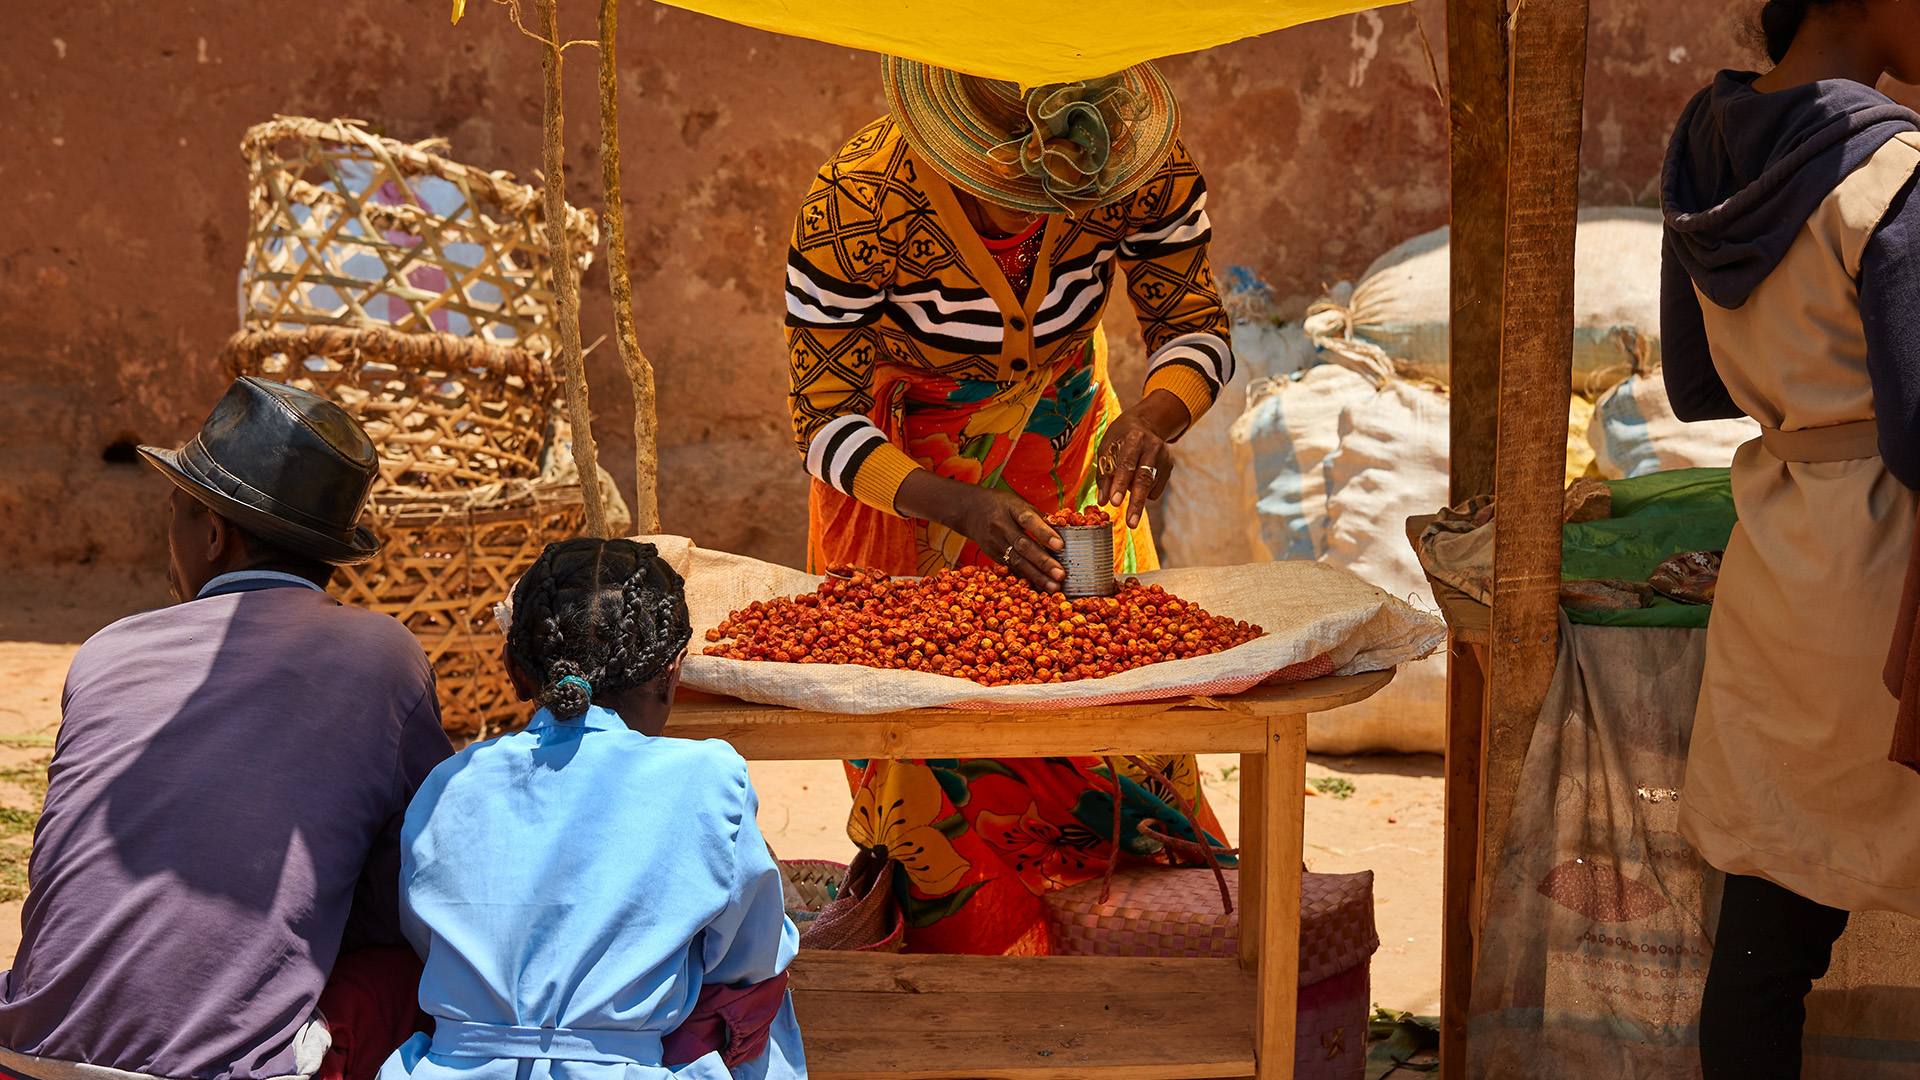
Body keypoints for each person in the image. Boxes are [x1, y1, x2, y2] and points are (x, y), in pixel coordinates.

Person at [782, 58, 1236, 954]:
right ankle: (975, 967)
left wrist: (1154, 416)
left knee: (1105, 703)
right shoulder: (858, 199)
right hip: (905, 482)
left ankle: (1136, 953)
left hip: (1068, 454)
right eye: (1002, 193)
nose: (1029, 214)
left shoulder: (1136, 163)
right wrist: (954, 503)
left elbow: (1193, 322)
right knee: (934, 725)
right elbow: (822, 421)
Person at [0, 377, 454, 1080]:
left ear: (213, 534)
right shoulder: (383, 657)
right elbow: (414, 888)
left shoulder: (105, 650)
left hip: (27, 1059)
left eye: (176, 511)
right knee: (408, 972)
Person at [1661, 2, 1920, 1075]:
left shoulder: (1704, 146)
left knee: (1770, 928)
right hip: (1889, 568)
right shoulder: (1893, 174)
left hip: (1780, 557)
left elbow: (1693, 382)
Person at [378, 538, 804, 1080]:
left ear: (512, 668)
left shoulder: (449, 783)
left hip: (451, 1066)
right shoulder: (709, 778)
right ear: (673, 675)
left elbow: (427, 935)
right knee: (761, 1000)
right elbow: (753, 958)